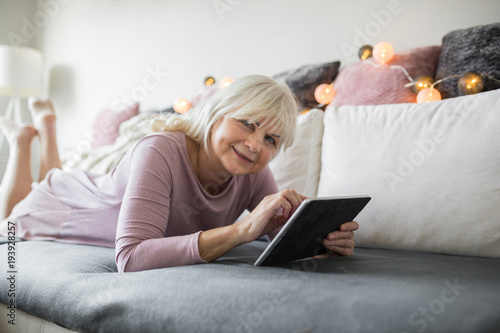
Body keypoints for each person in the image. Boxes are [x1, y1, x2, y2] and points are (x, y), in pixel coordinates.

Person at [0, 75, 359, 272]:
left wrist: (320, 241)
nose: (254, 144)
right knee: (11, 216)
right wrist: (238, 232)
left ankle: (42, 128)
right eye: (247, 123)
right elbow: (130, 256)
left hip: (83, 186)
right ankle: (24, 139)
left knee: (53, 174)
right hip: (60, 204)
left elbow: (276, 234)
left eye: (270, 138)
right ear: (216, 115)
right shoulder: (159, 150)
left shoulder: (252, 171)